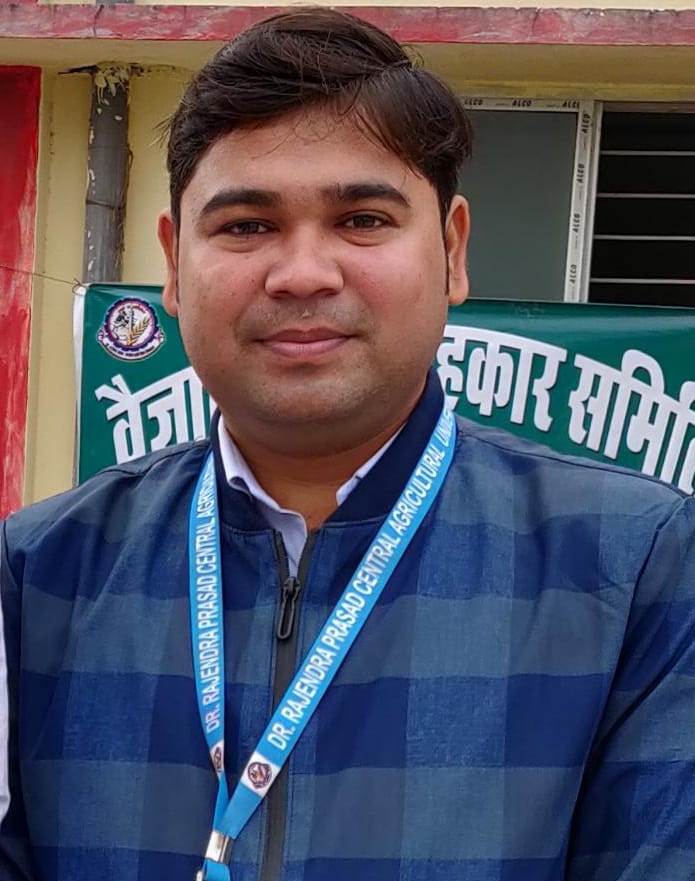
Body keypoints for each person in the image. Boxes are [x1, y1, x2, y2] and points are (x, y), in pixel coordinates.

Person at [2, 8, 695, 881]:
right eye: (245, 225)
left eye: (362, 219)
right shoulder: (40, 572)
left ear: (451, 251)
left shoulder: (633, 564)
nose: (302, 273)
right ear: (174, 265)